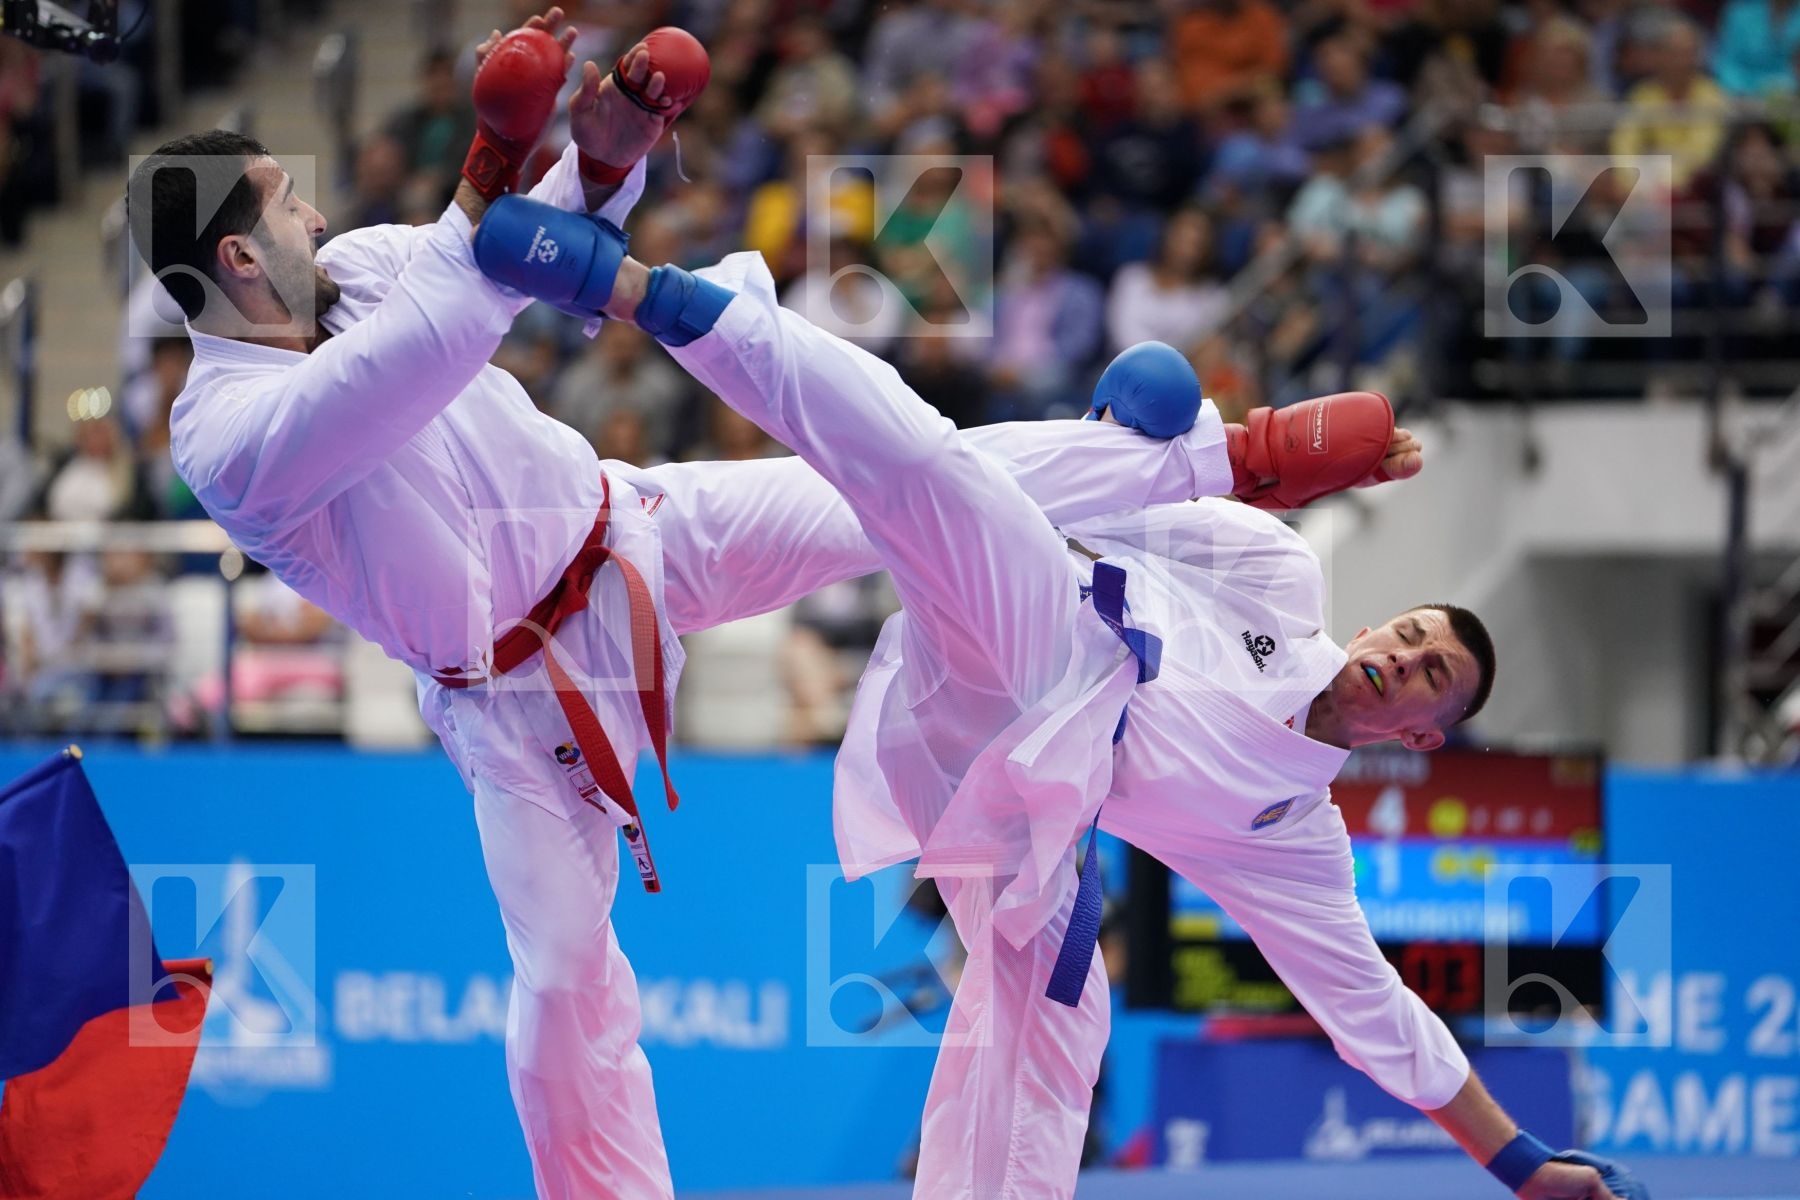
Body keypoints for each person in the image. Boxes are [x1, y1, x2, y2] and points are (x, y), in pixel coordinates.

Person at [125, 14, 1315, 1194]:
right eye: (286, 204)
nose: (316, 217)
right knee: (564, 986)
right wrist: (493, 157)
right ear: (237, 259)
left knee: (900, 476)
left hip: (635, 525)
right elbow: (422, 352)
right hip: (524, 703)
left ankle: (1221, 459)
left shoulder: (354, 270)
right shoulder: (227, 439)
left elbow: (513, 253)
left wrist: (605, 154)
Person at [479, 190, 1651, 1199]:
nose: (1405, 653)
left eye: (1432, 672)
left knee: (1059, 1023)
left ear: (1425, 734)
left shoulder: (1293, 838)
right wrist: (1173, 447)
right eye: (1410, 631)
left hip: (1001, 792)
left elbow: (1382, 1022)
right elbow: (1116, 494)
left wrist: (1520, 1164)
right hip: (1034, 624)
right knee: (946, 470)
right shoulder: (1282, 577)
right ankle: (655, 298)